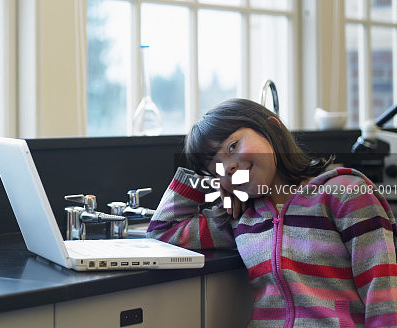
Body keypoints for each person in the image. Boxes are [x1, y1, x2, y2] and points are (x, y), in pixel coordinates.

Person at [147, 98, 397, 327]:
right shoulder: (241, 218)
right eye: (216, 168)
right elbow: (164, 230)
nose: (229, 166)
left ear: (273, 129)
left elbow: (383, 296)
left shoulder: (346, 193)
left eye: (233, 145)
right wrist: (203, 182)